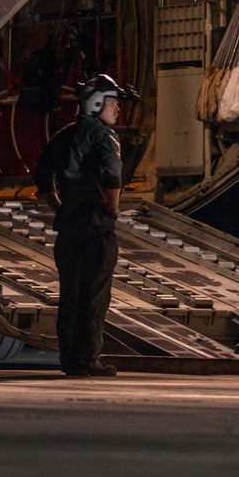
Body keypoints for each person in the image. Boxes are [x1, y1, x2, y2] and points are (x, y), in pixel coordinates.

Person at [34, 73, 139, 378]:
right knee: (94, 297)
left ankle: (69, 360)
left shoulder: (64, 135)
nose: (118, 108)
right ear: (96, 102)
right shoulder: (104, 136)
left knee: (69, 297)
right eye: (113, 102)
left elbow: (42, 176)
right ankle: (88, 360)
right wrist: (114, 206)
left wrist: (60, 207)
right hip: (97, 228)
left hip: (68, 230)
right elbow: (112, 172)